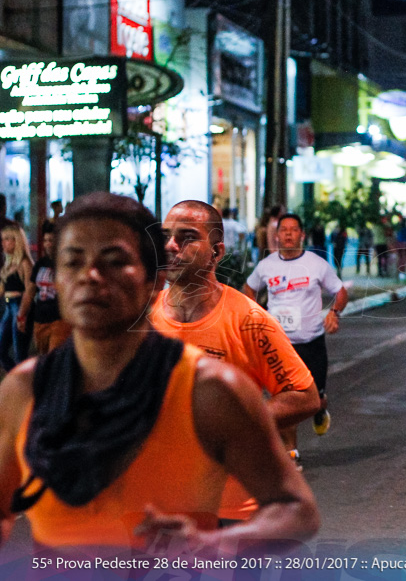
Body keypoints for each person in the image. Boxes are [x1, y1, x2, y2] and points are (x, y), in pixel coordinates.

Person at [0, 193, 318, 553]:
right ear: (54, 280)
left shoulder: (212, 386)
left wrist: (218, 541)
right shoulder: (25, 391)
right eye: (72, 261)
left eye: (114, 261)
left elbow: (296, 506)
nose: (89, 276)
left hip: (227, 517)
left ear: (151, 280)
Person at [150, 201, 320, 517]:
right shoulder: (141, 317)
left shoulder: (248, 319)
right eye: (166, 236)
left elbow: (304, 397)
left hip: (231, 512)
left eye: (186, 237)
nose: (171, 246)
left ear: (216, 252)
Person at [244, 214, 348, 451]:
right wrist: (256, 313)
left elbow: (340, 292)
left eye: (294, 230)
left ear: (302, 235)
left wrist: (334, 312)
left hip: (311, 342)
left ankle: (320, 407)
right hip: (279, 345)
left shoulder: (316, 264)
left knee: (315, 400)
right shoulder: (266, 266)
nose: (289, 234)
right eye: (284, 230)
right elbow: (249, 288)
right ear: (277, 235)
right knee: (283, 401)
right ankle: (291, 453)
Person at [17, 223, 71, 355]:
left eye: (51, 240)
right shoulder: (40, 264)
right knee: (43, 359)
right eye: (46, 240)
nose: (48, 244)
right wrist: (21, 315)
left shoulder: (66, 264)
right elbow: (29, 292)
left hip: (59, 320)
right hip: (40, 320)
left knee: (54, 357)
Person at [0, 225, 33, 372]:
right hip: (9, 307)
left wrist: (22, 314)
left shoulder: (24, 263)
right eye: (2, 239)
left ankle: (25, 387)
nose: (3, 243)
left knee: (20, 353)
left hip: (20, 307)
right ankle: (16, 381)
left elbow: (30, 290)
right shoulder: (7, 265)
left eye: (7, 239)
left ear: (16, 241)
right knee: (1, 350)